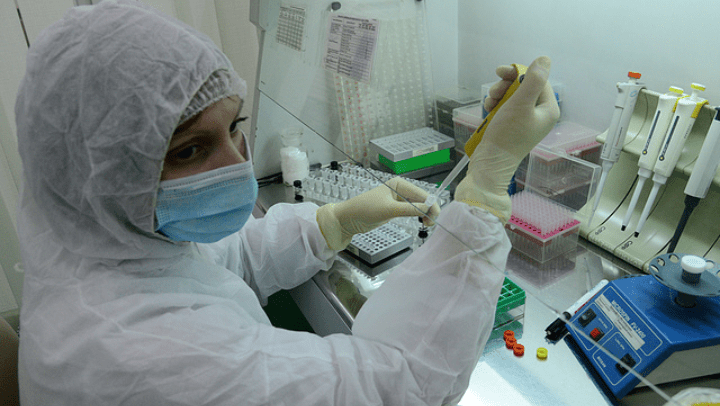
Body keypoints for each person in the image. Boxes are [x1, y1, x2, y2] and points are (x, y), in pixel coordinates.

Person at [14, 1, 559, 405]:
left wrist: (332, 222)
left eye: (235, 126)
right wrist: (487, 188)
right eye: (190, 150)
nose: (236, 163)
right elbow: (397, 385)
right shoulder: (141, 358)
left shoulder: (100, 242)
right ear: (99, 172)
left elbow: (219, 262)